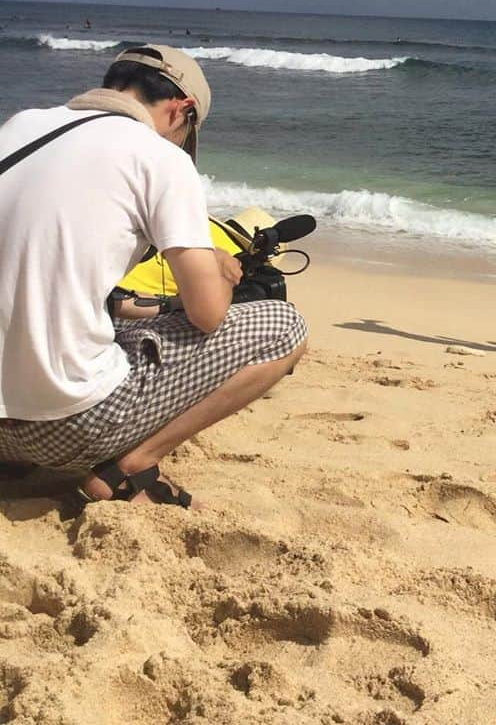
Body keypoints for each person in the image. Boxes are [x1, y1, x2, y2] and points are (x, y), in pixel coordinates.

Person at [0, 45, 307, 507]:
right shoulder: (159, 158)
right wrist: (221, 272)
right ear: (180, 109)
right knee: (285, 328)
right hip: (60, 430)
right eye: (187, 132)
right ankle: (131, 469)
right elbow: (208, 314)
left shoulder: (21, 127)